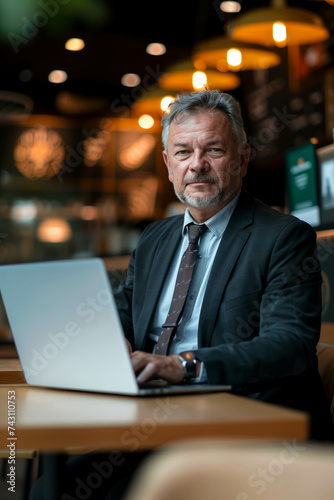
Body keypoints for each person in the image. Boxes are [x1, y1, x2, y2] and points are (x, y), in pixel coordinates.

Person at [30, 89, 333, 500]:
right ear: (168, 165)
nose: (198, 165)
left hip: (248, 428)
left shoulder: (284, 238)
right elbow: (122, 310)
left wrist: (183, 366)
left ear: (243, 158)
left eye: (214, 149)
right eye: (184, 152)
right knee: (47, 485)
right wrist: (108, 344)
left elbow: (289, 347)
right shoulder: (155, 238)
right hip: (154, 417)